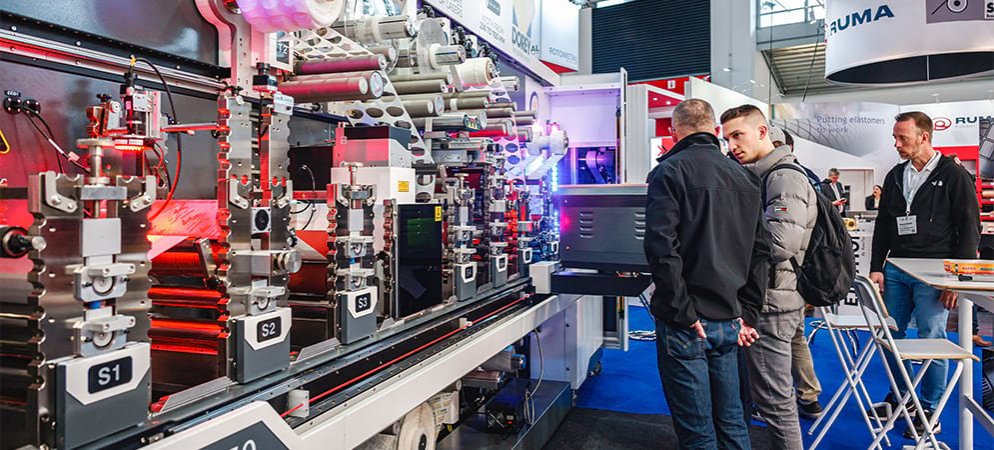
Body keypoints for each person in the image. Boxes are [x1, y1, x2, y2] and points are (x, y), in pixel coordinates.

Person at [645, 99, 769, 450]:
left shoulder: (668, 172)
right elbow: (760, 252)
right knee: (732, 420)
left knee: (697, 429)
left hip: (687, 321)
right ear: (715, 129)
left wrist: (682, 312)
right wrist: (747, 314)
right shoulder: (745, 176)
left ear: (673, 131)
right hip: (730, 317)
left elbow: (661, 249)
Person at [869, 111, 981, 437]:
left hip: (934, 274)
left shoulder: (954, 175)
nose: (896, 144)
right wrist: (877, 267)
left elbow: (969, 228)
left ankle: (929, 409)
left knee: (932, 340)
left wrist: (956, 279)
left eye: (902, 138)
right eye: (895, 138)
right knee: (893, 337)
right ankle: (901, 399)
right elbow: (884, 225)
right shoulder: (895, 175)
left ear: (924, 137)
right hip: (896, 271)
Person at [722, 105, 816, 450]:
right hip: (767, 299)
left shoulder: (783, 177)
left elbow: (781, 242)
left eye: (738, 135)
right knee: (760, 395)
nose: (732, 145)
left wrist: (725, 244)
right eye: (728, 137)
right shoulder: (761, 175)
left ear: (763, 132)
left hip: (773, 304)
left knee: (775, 402)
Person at [768, 125, 825, 418]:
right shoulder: (806, 176)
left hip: (784, 278)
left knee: (780, 342)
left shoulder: (784, 178)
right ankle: (807, 396)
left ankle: (782, 405)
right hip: (798, 276)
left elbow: (782, 242)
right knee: (796, 337)